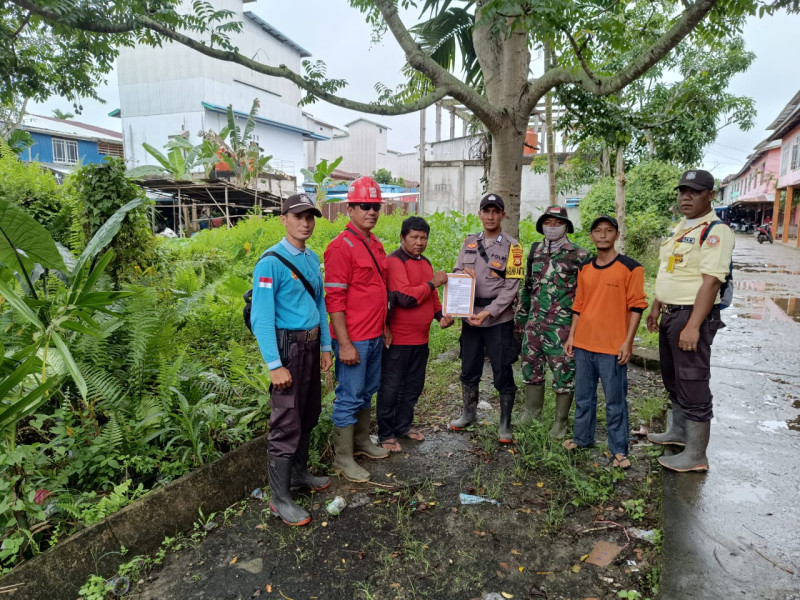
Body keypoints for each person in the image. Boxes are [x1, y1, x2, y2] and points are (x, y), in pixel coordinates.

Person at [251, 193, 333, 526]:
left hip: (311, 347)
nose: (305, 223)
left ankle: (299, 474)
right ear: (283, 219)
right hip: (288, 350)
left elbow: (320, 304)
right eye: (298, 216)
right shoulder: (270, 263)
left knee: (309, 413)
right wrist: (274, 365)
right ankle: (280, 499)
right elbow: (261, 317)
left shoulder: (311, 258)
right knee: (286, 422)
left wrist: (325, 346)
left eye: (310, 217)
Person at [646, 169, 734, 472]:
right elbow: (671, 271)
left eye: (695, 192)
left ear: (710, 195)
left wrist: (694, 325)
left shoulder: (716, 231)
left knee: (693, 381)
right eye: (683, 191)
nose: (687, 197)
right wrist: (657, 305)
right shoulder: (683, 227)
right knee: (673, 378)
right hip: (671, 312)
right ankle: (679, 432)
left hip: (690, 314)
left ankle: (696, 454)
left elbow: (711, 282)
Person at [563, 216, 648, 469]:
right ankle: (582, 438)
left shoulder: (631, 268)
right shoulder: (585, 268)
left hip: (612, 347)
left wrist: (628, 342)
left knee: (615, 401)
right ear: (591, 236)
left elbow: (636, 306)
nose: (602, 235)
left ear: (616, 235)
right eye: (598, 231)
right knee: (584, 397)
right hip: (584, 344)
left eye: (608, 231)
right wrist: (572, 336)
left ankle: (619, 450)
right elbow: (579, 303)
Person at [324, 176, 391, 482]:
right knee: (349, 396)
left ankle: (362, 442)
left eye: (375, 206)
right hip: (354, 339)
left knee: (366, 392)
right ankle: (343, 458)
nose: (371, 211)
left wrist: (384, 326)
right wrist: (345, 344)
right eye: (365, 205)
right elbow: (334, 300)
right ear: (349, 208)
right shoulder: (341, 247)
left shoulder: (375, 244)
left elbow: (378, 289)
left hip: (375, 335)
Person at [449, 193, 523, 443]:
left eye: (495, 211)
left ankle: (505, 423)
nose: (490, 216)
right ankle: (469, 413)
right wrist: (463, 274)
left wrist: (488, 312)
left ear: (503, 215)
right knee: (469, 366)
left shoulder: (514, 247)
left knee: (502, 368)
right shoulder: (469, 242)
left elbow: (511, 288)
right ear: (480, 214)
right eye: (486, 211)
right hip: (470, 317)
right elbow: (457, 271)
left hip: (498, 319)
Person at [378, 216, 454, 452]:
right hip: (398, 339)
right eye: (414, 237)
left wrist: (440, 315)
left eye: (423, 238)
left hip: (421, 339)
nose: (419, 242)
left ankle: (403, 426)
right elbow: (405, 297)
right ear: (402, 237)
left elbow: (431, 297)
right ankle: (386, 434)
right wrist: (433, 282)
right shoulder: (395, 261)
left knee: (413, 386)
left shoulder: (425, 262)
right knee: (391, 387)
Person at [515, 206, 588, 439]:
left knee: (563, 373)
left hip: (562, 327)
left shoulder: (580, 255)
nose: (552, 227)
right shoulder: (535, 250)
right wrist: (521, 318)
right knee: (530, 368)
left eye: (557, 223)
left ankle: (560, 422)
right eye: (548, 222)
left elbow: (585, 296)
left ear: (566, 226)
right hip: (534, 324)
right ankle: (532, 413)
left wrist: (578, 330)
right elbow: (528, 286)